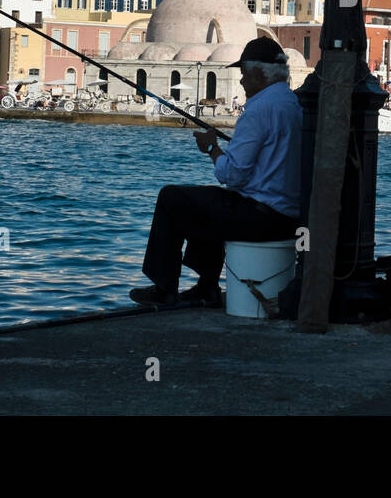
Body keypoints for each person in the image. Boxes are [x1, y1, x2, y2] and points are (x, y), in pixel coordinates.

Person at [129, 38, 301, 307]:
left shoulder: (258, 110)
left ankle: (164, 288)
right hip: (289, 216)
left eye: (244, 74)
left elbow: (232, 176)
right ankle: (206, 286)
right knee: (210, 202)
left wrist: (211, 148)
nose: (242, 82)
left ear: (258, 73)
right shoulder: (293, 103)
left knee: (172, 198)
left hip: (262, 217)